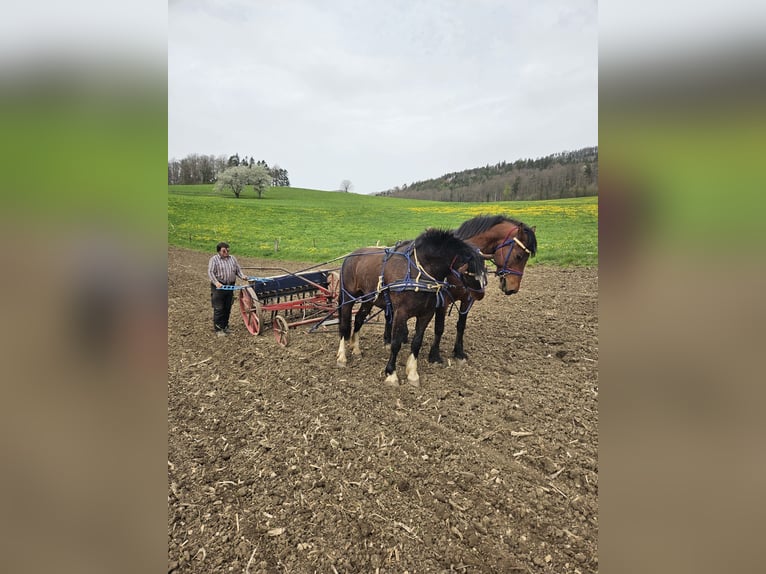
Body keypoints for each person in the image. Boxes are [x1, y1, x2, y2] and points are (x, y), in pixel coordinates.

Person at [208, 242, 248, 336]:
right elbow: (210, 272)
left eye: (228, 250)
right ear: (219, 251)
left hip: (230, 286)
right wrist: (216, 282)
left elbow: (237, 270)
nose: (227, 252)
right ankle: (218, 329)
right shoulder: (214, 259)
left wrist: (242, 276)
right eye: (224, 250)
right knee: (219, 307)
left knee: (227, 307)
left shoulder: (232, 258)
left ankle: (225, 326)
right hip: (219, 287)